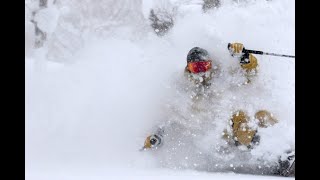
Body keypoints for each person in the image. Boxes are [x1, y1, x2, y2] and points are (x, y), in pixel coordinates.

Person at [141, 43, 294, 176]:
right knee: (240, 118)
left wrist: (246, 60)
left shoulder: (220, 75)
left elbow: (249, 77)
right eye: (196, 67)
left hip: (230, 127)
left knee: (262, 115)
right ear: (188, 68)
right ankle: (278, 161)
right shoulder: (181, 88)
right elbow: (166, 115)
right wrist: (156, 135)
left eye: (205, 66)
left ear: (210, 64)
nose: (202, 72)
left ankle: (288, 149)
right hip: (215, 139)